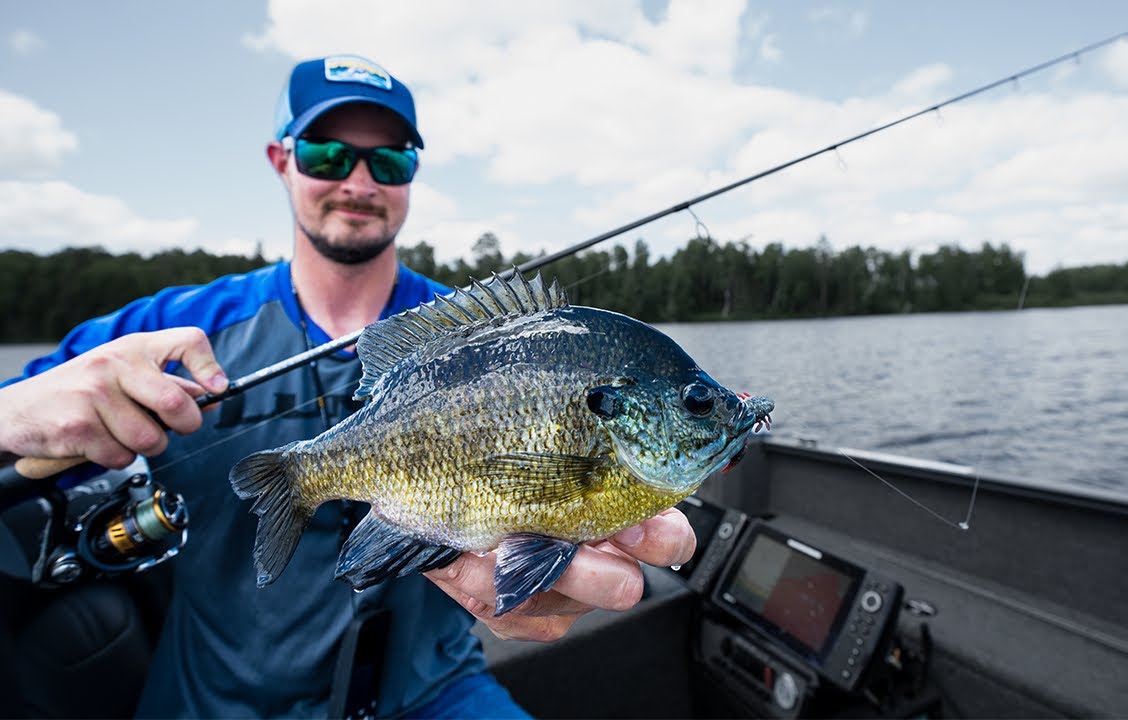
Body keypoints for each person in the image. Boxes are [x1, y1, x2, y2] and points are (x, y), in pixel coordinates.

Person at [0, 54, 695, 718]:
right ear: (281, 159)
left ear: (411, 175)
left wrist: (550, 556)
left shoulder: (490, 342)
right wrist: (12, 413)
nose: (359, 181)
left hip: (434, 691)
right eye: (328, 153)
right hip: (215, 701)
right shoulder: (171, 330)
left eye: (388, 158)